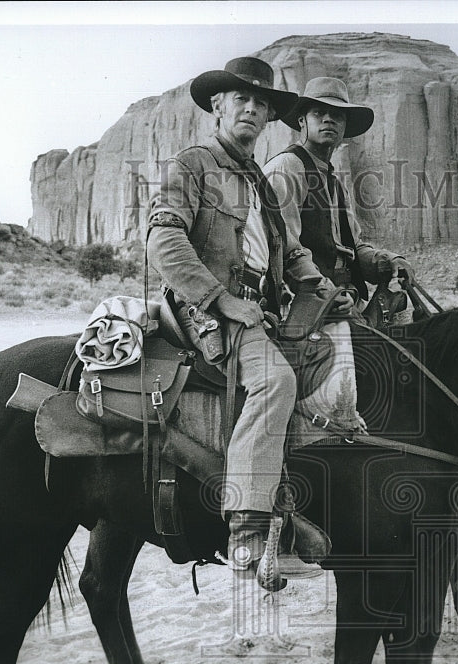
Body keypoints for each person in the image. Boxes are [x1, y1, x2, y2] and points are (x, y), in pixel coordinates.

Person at [145, 57, 341, 584]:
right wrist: (219, 300)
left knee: (337, 354)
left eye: (261, 103)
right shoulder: (191, 165)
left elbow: (290, 248)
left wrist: (322, 288)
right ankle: (248, 529)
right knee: (274, 380)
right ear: (218, 106)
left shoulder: (257, 178)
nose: (252, 109)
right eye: (242, 99)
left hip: (259, 309)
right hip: (204, 310)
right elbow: (163, 241)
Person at [263, 76, 412, 311]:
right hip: (303, 303)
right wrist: (322, 291)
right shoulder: (287, 168)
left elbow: (350, 247)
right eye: (318, 113)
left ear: (344, 127)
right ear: (302, 121)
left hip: (342, 297)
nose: (328, 119)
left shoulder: (334, 183)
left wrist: (386, 261)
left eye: (337, 115)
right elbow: (281, 246)